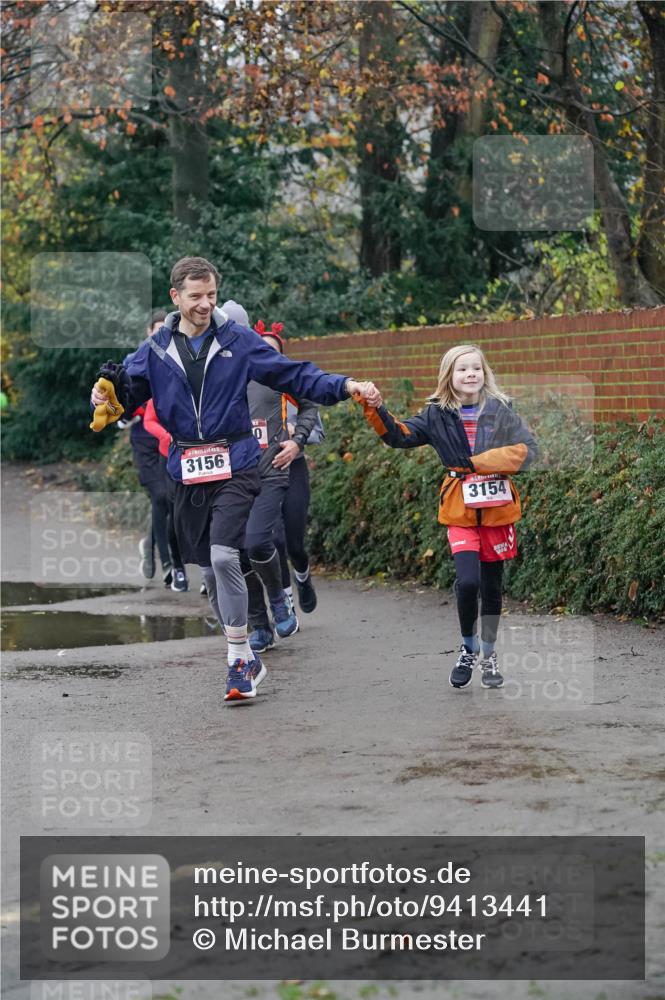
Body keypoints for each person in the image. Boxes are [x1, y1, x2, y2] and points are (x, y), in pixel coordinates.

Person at [90, 256, 380, 703]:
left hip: (238, 462)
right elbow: (125, 394)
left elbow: (293, 374)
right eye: (195, 297)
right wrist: (104, 394)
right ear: (175, 297)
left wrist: (345, 386)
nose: (205, 304)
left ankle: (239, 658)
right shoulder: (156, 349)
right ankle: (245, 650)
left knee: (227, 557)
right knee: (210, 571)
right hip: (187, 470)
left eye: (210, 295)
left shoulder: (238, 341)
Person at [361, 344, 536, 690]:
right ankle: (468, 648)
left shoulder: (501, 410)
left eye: (476, 368)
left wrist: (483, 463)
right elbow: (399, 436)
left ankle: (488, 653)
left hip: (498, 510)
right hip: (460, 508)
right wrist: (375, 408)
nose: (470, 374)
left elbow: (530, 450)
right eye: (462, 369)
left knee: (492, 586)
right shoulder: (436, 414)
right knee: (468, 582)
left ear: (484, 374)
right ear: (449, 377)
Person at [218, 306, 319, 653]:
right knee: (235, 551)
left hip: (269, 468)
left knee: (260, 541)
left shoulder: (268, 367)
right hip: (226, 476)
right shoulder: (207, 375)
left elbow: (309, 404)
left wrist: (297, 440)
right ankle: (259, 623)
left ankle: (279, 597)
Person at [118, 310, 187, 592]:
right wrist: (127, 413)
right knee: (159, 496)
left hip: (173, 442)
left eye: (165, 329)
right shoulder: (137, 360)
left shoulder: (179, 358)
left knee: (169, 501)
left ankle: (152, 543)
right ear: (148, 332)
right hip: (146, 441)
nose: (161, 333)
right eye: (156, 329)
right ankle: (168, 563)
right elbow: (121, 407)